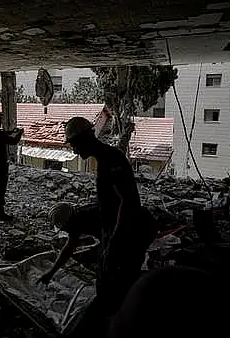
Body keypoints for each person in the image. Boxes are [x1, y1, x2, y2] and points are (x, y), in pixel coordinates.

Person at [60, 116, 157, 336]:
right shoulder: (104, 161)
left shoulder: (112, 159)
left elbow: (128, 201)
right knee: (108, 285)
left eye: (74, 145)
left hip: (125, 237)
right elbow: (112, 202)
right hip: (116, 235)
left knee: (115, 290)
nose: (74, 151)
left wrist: (114, 241)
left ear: (85, 139)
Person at [38, 202, 101, 284]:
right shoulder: (77, 220)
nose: (64, 231)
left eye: (64, 228)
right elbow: (68, 248)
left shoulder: (92, 219)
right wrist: (51, 273)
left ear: (69, 222)